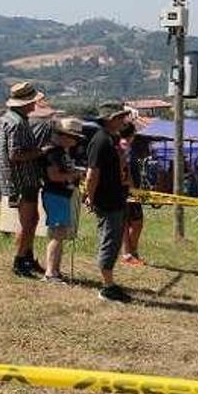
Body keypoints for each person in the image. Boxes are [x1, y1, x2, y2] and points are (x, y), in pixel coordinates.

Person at [0, 82, 47, 277]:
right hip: (22, 178)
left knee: (30, 220)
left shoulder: (8, 119)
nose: (34, 105)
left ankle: (27, 256)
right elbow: (15, 154)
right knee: (28, 222)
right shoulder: (17, 123)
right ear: (24, 103)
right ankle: (19, 261)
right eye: (32, 101)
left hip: (16, 178)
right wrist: (40, 152)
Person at [85, 101, 132, 303]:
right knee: (110, 240)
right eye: (121, 117)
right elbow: (92, 174)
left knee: (113, 239)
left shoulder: (111, 140)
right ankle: (107, 287)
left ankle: (110, 283)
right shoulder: (100, 141)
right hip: (107, 199)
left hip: (116, 197)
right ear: (111, 119)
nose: (124, 120)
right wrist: (91, 197)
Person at [40, 118, 84, 283]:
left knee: (60, 233)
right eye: (74, 137)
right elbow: (53, 176)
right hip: (55, 194)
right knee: (57, 234)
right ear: (65, 136)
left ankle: (55, 271)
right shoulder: (53, 153)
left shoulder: (62, 152)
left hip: (61, 195)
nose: (75, 141)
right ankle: (50, 273)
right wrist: (75, 175)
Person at [118, 123, 145, 267]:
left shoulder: (125, 147)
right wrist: (134, 189)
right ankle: (128, 253)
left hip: (128, 191)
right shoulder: (125, 148)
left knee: (132, 223)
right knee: (134, 222)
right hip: (128, 191)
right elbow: (125, 172)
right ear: (132, 134)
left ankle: (131, 252)